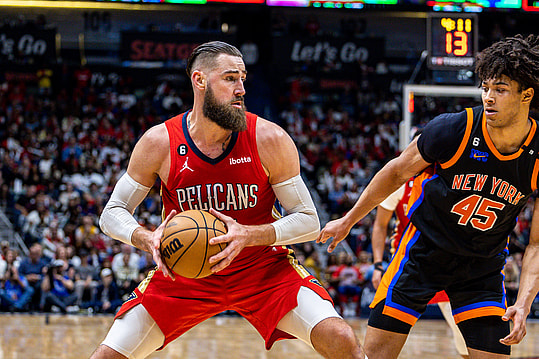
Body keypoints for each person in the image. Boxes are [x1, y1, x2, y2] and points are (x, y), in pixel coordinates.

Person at [90, 41, 366, 359]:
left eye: (243, 78)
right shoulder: (159, 142)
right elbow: (112, 212)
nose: (241, 89)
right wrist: (148, 237)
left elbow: (308, 220)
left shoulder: (269, 138)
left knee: (340, 338)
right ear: (200, 80)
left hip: (262, 270)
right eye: (231, 78)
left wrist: (248, 235)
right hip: (184, 274)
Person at [317, 34, 539, 359]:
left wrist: (523, 302)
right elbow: (395, 172)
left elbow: (535, 244)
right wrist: (349, 219)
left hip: (481, 266)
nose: (488, 97)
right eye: (486, 87)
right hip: (421, 254)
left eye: (500, 90)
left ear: (526, 95)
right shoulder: (454, 129)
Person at [371, 178, 468, 358]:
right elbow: (380, 224)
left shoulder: (450, 174)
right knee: (385, 330)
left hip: (445, 260)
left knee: (463, 332)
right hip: (408, 264)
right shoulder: (399, 177)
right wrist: (378, 264)